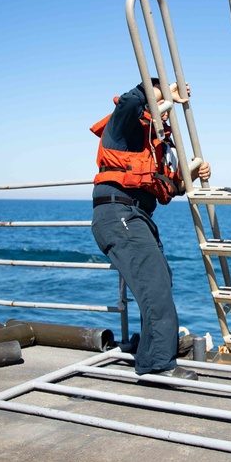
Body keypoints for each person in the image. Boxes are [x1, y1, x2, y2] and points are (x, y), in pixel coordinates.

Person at [90, 77, 210, 381]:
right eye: (160, 103)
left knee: (159, 280)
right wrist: (163, 91)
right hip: (118, 212)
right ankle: (157, 363)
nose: (165, 110)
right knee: (153, 282)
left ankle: (149, 350)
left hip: (137, 215)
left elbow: (168, 190)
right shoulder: (127, 125)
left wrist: (191, 175)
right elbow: (130, 101)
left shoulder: (157, 146)